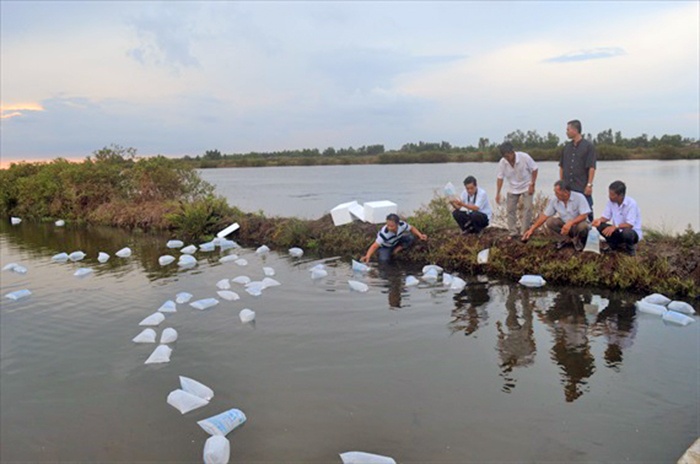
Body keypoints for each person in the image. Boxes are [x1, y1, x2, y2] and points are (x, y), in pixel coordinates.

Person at [522, 181, 591, 250]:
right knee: (550, 221)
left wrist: (571, 223)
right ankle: (564, 240)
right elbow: (545, 216)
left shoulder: (579, 197)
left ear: (566, 192)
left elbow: (584, 215)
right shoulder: (554, 200)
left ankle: (578, 242)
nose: (555, 194)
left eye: (557, 193)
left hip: (577, 225)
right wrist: (532, 229)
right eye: (555, 192)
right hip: (564, 226)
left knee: (583, 226)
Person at [496, 142, 539, 238]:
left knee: (527, 208)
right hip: (512, 187)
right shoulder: (503, 162)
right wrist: (498, 193)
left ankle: (524, 232)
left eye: (508, 156)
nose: (507, 158)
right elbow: (500, 178)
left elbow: (535, 169)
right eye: (504, 157)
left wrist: (532, 184)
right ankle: (513, 232)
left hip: (526, 185)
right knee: (510, 209)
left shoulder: (524, 157)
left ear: (512, 152)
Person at [591, 180, 642, 256]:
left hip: (631, 233)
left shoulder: (631, 204)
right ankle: (613, 244)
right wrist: (598, 220)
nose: (609, 196)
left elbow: (630, 224)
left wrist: (615, 227)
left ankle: (630, 249)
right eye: (609, 194)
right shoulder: (611, 202)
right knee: (600, 225)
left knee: (627, 232)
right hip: (618, 231)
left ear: (620, 195)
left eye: (612, 195)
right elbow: (606, 217)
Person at [561, 119, 596, 220]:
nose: (566, 132)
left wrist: (589, 185)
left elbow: (591, 167)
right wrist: (562, 183)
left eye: (568, 129)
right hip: (568, 186)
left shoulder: (588, 146)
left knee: (587, 210)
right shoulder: (566, 147)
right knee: (569, 210)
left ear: (575, 130)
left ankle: (590, 232)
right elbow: (562, 166)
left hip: (582, 185)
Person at [360, 213, 427, 263]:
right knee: (384, 260)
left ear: (397, 224)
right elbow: (374, 246)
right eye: (388, 225)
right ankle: (387, 253)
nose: (389, 228)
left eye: (392, 226)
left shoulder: (402, 224)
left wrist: (420, 235)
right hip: (386, 246)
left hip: (397, 240)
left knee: (410, 237)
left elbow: (411, 228)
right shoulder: (384, 234)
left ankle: (398, 249)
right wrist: (367, 256)